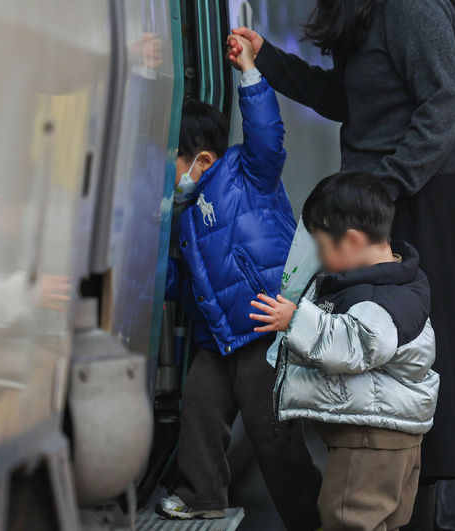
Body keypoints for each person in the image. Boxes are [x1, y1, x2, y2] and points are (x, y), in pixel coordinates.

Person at [228, 1, 455, 527]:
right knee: (372, 352)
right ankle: (383, 497)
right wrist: (269, 60)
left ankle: (431, 511)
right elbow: (349, 99)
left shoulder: (410, 9)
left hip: (420, 201)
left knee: (422, 356)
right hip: (378, 203)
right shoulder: (361, 12)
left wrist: (384, 187)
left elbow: (445, 105)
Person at [155, 36, 321, 528]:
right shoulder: (183, 219)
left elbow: (266, 133)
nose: (168, 176)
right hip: (219, 340)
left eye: (172, 161)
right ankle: (201, 494)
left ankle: (310, 518)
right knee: (200, 412)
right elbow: (187, 284)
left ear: (203, 160)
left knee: (274, 437)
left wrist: (250, 74)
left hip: (263, 330)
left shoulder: (248, 174)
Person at [250, 172, 440, 530]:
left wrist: (295, 321)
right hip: (390, 434)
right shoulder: (396, 280)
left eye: (322, 247)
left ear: (351, 241)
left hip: (371, 440)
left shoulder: (377, 299)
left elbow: (356, 345)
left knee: (347, 519)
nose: (319, 258)